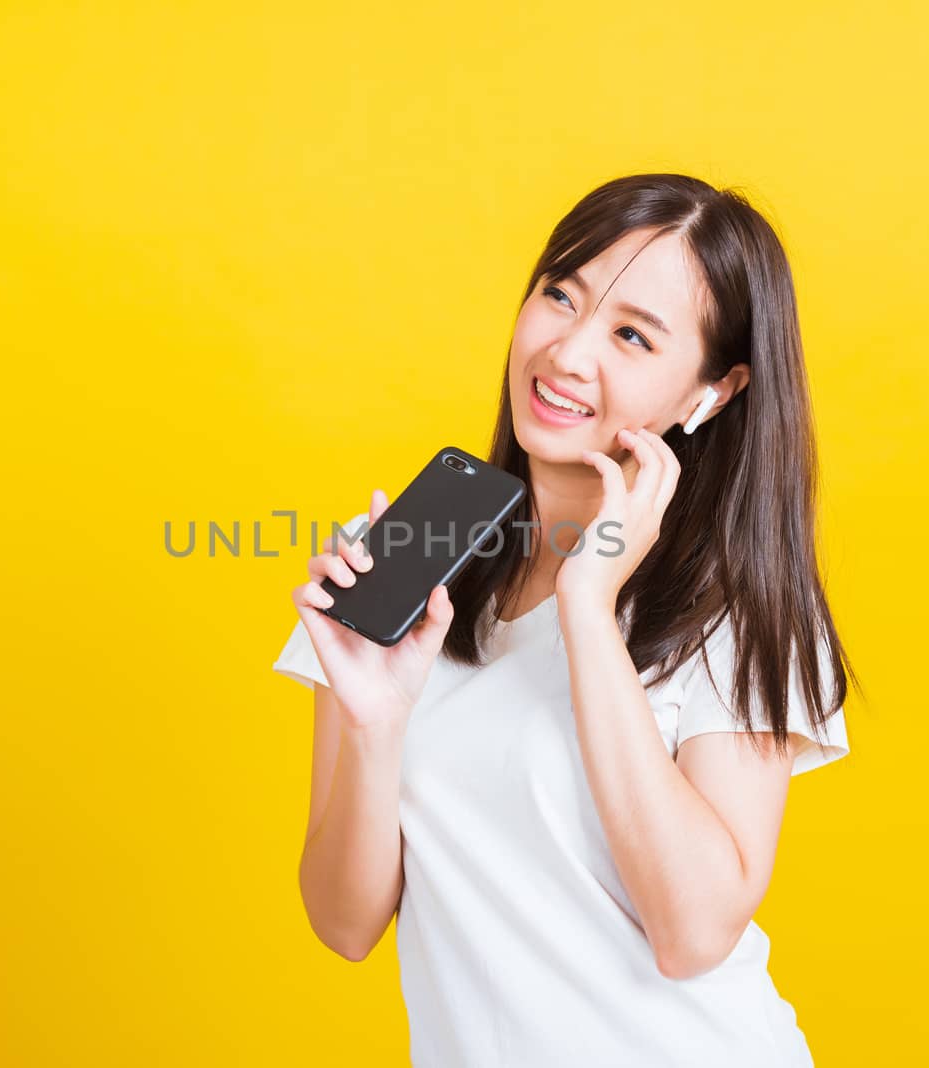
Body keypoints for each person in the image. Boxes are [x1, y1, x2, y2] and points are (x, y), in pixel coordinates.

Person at [271, 173, 856, 1067]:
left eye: (631, 336)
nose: (568, 353)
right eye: (559, 295)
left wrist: (588, 608)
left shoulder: (737, 606)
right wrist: (376, 723)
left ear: (713, 391)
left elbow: (692, 930)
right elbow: (344, 922)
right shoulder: (397, 555)